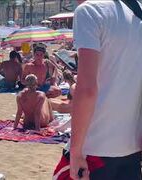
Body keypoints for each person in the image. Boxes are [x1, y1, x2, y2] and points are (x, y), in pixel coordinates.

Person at [54, 0, 142, 180]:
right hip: (132, 147)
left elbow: (87, 89)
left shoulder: (90, 11)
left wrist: (76, 151)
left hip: (94, 148)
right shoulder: (137, 11)